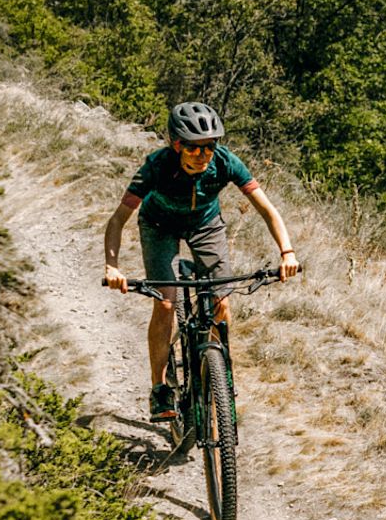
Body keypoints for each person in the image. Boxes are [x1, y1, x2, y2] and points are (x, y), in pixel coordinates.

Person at [102, 101, 299, 416]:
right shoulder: (156, 166)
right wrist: (112, 266)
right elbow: (117, 220)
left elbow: (266, 208)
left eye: (209, 147)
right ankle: (160, 388)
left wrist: (287, 251)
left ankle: (218, 374)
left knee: (222, 303)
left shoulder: (225, 162)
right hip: (158, 227)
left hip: (205, 225)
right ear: (177, 145)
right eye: (194, 149)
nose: (203, 155)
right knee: (166, 302)